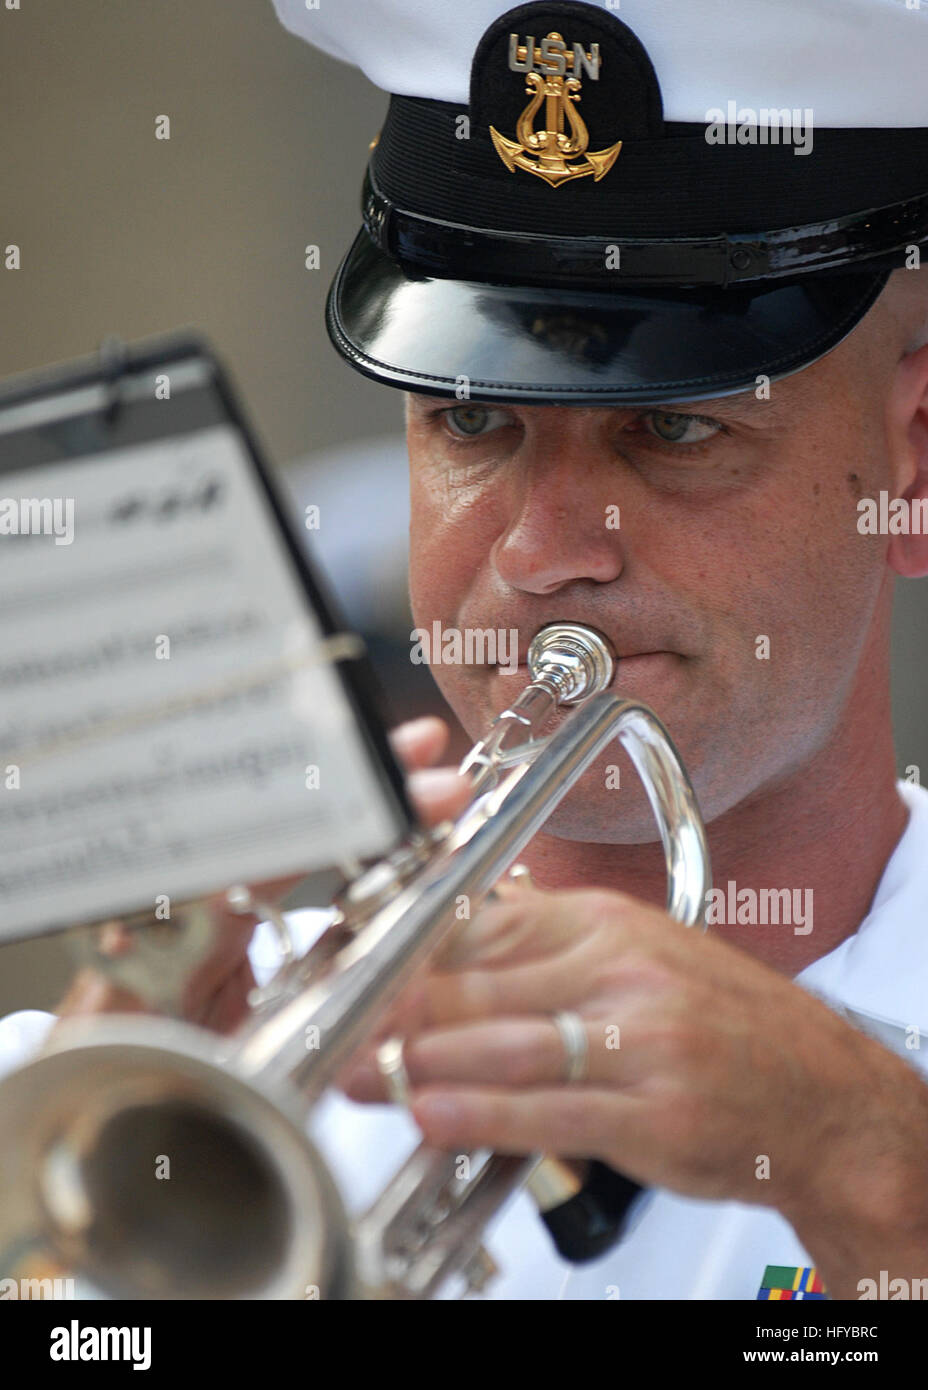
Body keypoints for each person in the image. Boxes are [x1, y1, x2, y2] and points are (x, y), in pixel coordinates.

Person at [3, 0, 928, 1300]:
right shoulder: (124, 1091)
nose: (549, 550)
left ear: (918, 454)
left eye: (671, 432)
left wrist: (872, 1162)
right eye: (475, 417)